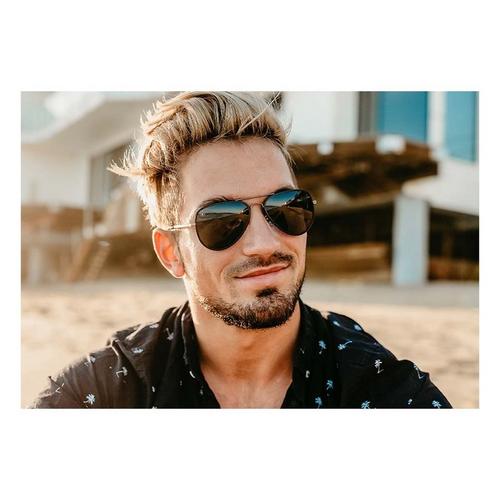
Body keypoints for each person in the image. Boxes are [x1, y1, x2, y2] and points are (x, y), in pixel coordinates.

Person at [30, 91, 451, 409]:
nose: (264, 243)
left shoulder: (385, 392)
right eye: (221, 220)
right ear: (171, 252)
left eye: (285, 208)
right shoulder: (104, 394)